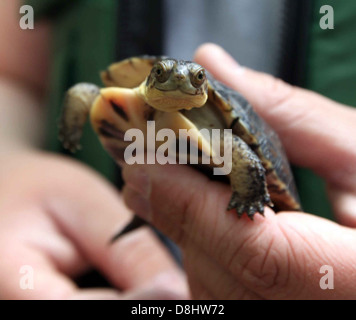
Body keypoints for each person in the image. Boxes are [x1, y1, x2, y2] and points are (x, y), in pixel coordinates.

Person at [122, 44, 356, 299]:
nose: (179, 78)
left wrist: (250, 196)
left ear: (203, 86)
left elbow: (241, 153)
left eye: (198, 76)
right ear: (149, 79)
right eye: (161, 73)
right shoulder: (130, 95)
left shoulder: (219, 133)